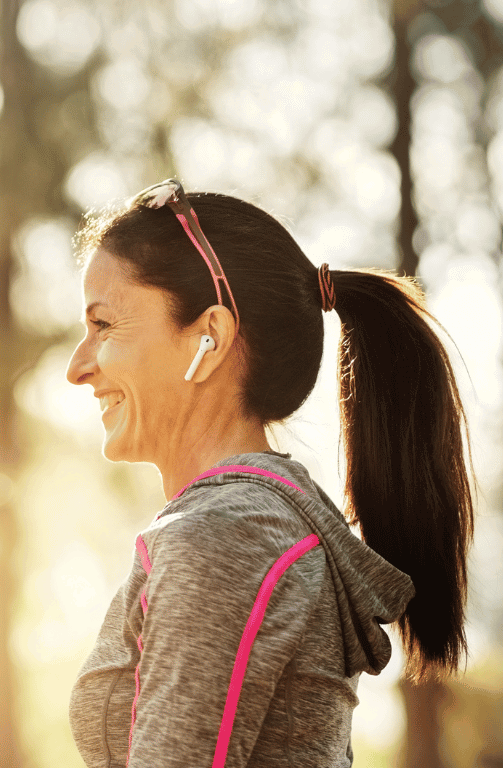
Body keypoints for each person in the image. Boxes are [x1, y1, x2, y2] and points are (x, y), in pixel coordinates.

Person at [64, 179, 474, 768]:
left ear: (210, 337)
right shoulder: (253, 525)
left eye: (104, 326)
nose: (79, 367)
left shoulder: (222, 536)